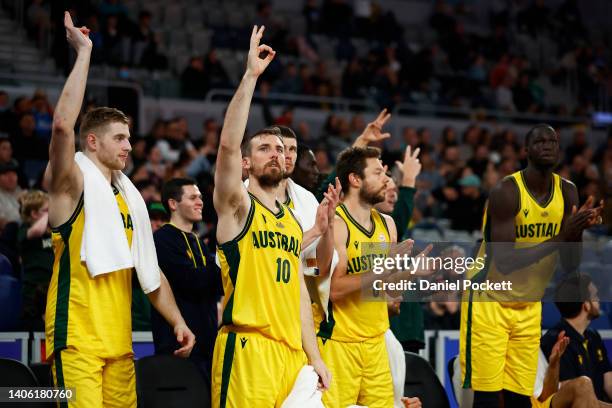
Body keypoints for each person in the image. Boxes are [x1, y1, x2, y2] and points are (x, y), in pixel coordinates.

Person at [45, 13, 194, 407]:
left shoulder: (128, 197)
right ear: (92, 141)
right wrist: (83, 54)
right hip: (77, 339)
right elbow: (62, 126)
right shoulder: (73, 182)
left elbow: (147, 267)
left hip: (120, 344)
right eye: (120, 138)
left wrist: (177, 320)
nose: (130, 145)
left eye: (130, 137)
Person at [211, 26, 331, 407]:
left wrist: (314, 357)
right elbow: (228, 144)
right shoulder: (238, 206)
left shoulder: (292, 221)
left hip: (292, 356)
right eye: (264, 148)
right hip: (247, 347)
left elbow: (300, 297)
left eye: (280, 149)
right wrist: (250, 76)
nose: (276, 153)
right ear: (247, 163)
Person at [459, 124, 604, 408]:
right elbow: (506, 260)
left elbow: (570, 265)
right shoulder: (507, 191)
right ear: (526, 151)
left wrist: (578, 231)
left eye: (553, 140)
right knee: (487, 397)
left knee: (519, 398)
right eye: (540, 141)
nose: (548, 145)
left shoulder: (568, 193)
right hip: (490, 300)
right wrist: (563, 234)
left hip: (528, 304)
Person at [316, 145, 431, 408]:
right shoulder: (338, 222)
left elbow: (381, 287)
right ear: (355, 180)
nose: (387, 180)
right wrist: (384, 270)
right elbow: (335, 289)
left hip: (377, 342)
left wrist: (410, 273)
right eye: (378, 172)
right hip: (338, 343)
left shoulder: (386, 224)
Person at [152, 178, 223, 383]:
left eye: (200, 197)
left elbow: (217, 285)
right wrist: (221, 257)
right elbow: (190, 282)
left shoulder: (198, 242)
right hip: (177, 347)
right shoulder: (162, 240)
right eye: (192, 197)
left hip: (206, 348)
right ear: (173, 204)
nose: (200, 202)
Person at [541, 274, 612, 403]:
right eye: (595, 296)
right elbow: (572, 398)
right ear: (586, 304)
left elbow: (609, 382)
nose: (599, 299)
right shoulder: (556, 341)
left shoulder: (593, 336)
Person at [17, 189, 53, 331]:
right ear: (34, 214)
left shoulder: (53, 232)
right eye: (46, 210)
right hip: (32, 294)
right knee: (34, 330)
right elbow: (36, 231)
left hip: (52, 290)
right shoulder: (24, 229)